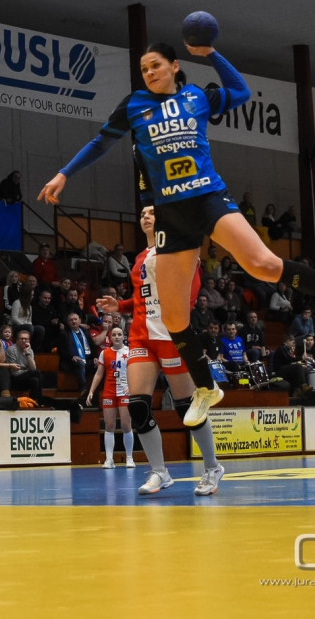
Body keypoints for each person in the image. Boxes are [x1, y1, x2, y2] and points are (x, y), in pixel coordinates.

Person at [39, 34, 315, 427]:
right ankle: (206, 387)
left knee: (263, 265)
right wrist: (64, 173)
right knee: (174, 318)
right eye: (144, 68)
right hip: (171, 215)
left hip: (208, 198)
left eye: (156, 65)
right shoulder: (134, 105)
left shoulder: (197, 96)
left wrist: (212, 53)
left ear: (174, 66)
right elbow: (101, 142)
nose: (149, 72)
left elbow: (241, 91)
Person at [93, 205, 224, 496]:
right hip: (141, 337)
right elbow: (144, 297)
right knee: (138, 405)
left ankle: (212, 467)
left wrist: (178, 323)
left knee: (187, 407)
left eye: (151, 212)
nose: (145, 216)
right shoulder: (140, 257)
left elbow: (191, 292)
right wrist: (121, 305)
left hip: (170, 336)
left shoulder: (177, 249)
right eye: (142, 214)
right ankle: (159, 472)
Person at [86, 326, 133, 469]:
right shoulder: (104, 353)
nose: (117, 337)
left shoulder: (130, 352)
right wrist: (91, 391)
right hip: (109, 392)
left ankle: (129, 458)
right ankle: (109, 459)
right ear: (110, 337)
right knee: (109, 426)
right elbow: (99, 374)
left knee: (126, 425)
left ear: (123, 336)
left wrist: (132, 386)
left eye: (119, 334)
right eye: (114, 335)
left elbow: (136, 371)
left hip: (125, 392)